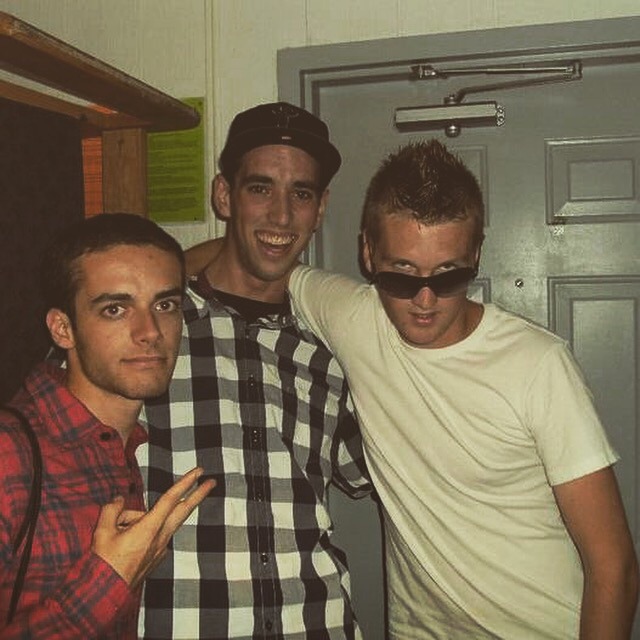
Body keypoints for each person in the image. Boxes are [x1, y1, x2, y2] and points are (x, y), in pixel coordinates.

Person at [186, 138, 640, 638]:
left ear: (476, 254)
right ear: (368, 252)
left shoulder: (538, 365)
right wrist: (158, 276)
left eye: (448, 276)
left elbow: (614, 565)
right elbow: (245, 256)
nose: (424, 300)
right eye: (402, 275)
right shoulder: (353, 316)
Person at [139, 102, 371, 639]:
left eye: (301, 194)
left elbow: (368, 472)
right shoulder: (150, 330)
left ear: (321, 208)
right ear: (224, 195)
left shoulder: (331, 347)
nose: (281, 216)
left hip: (317, 624)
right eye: (261, 188)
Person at [0, 213, 214, 639]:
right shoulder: (10, 453)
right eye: (115, 309)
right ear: (63, 329)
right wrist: (110, 578)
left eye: (165, 305)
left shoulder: (121, 446)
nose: (150, 332)